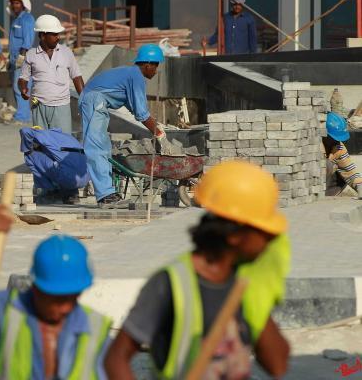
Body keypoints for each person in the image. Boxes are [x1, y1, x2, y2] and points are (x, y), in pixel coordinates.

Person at [104, 160, 291, 379]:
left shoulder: (243, 281)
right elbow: (116, 358)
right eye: (264, 231)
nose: (271, 239)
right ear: (234, 235)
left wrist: (262, 290)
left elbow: (277, 364)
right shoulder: (170, 283)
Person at [0, 209, 112, 379]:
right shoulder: (9, 313)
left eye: (73, 297)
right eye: (58, 299)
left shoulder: (96, 329)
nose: (66, 308)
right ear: (36, 288)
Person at [79, 44, 165, 207]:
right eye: (156, 65)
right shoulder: (136, 76)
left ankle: (108, 192)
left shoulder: (131, 74)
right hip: (94, 100)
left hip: (96, 101)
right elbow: (142, 114)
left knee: (103, 146)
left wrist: (154, 124)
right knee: (97, 146)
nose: (156, 70)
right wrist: (159, 133)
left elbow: (135, 108)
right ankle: (105, 196)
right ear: (147, 64)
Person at [19, 14, 83, 134]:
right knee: (41, 143)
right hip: (38, 106)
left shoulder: (66, 53)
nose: (58, 37)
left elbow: (76, 76)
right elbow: (23, 77)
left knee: (63, 143)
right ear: (43, 35)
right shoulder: (31, 54)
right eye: (54, 34)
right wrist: (23, 88)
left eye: (58, 34)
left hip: (61, 106)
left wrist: (84, 98)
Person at [20, 127, 89, 203]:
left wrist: (28, 147)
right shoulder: (66, 136)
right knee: (64, 163)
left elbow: (25, 131)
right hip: (85, 179)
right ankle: (71, 195)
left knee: (30, 155)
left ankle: (48, 192)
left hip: (68, 178)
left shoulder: (44, 134)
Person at [7, 0, 35, 123]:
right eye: (12, 2)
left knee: (21, 86)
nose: (14, 5)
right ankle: (22, 113)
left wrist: (22, 57)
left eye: (17, 2)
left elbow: (28, 39)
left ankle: (23, 116)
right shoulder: (15, 19)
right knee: (17, 86)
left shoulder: (27, 19)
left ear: (23, 4)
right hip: (14, 59)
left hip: (23, 59)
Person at [322, 112, 362, 199]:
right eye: (334, 138)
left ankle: (328, 197)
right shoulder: (314, 145)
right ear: (324, 134)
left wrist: (360, 187)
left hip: (325, 185)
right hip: (311, 184)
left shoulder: (339, 147)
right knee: (327, 164)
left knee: (343, 175)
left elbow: (351, 172)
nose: (337, 141)